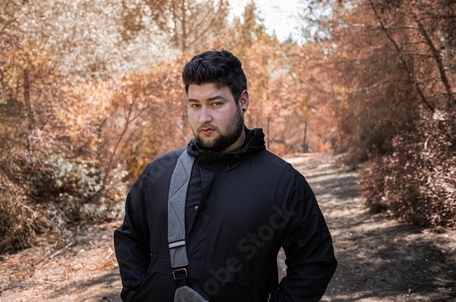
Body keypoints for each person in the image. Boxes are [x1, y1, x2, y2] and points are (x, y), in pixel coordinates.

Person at [114, 49, 337, 302]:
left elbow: (315, 262)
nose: (204, 117)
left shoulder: (283, 182)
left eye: (216, 104)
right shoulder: (160, 171)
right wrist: (136, 293)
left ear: (243, 101)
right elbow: (130, 237)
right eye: (195, 105)